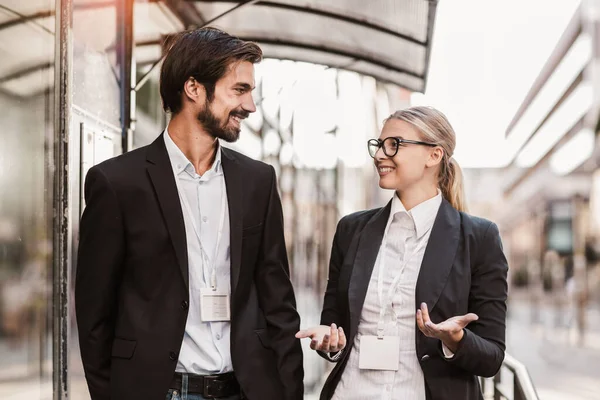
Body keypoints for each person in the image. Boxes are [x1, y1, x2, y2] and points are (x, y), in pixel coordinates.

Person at [75, 27, 303, 400]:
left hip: (244, 390)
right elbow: (93, 313)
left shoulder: (258, 181)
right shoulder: (116, 183)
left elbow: (278, 302)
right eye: (239, 90)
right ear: (194, 89)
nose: (250, 106)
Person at [297, 106, 508, 400]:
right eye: (379, 145)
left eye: (394, 144)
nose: (380, 155)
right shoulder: (351, 230)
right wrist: (330, 343)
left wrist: (456, 340)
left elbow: (492, 356)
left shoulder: (479, 238)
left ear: (434, 156)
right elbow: (335, 327)